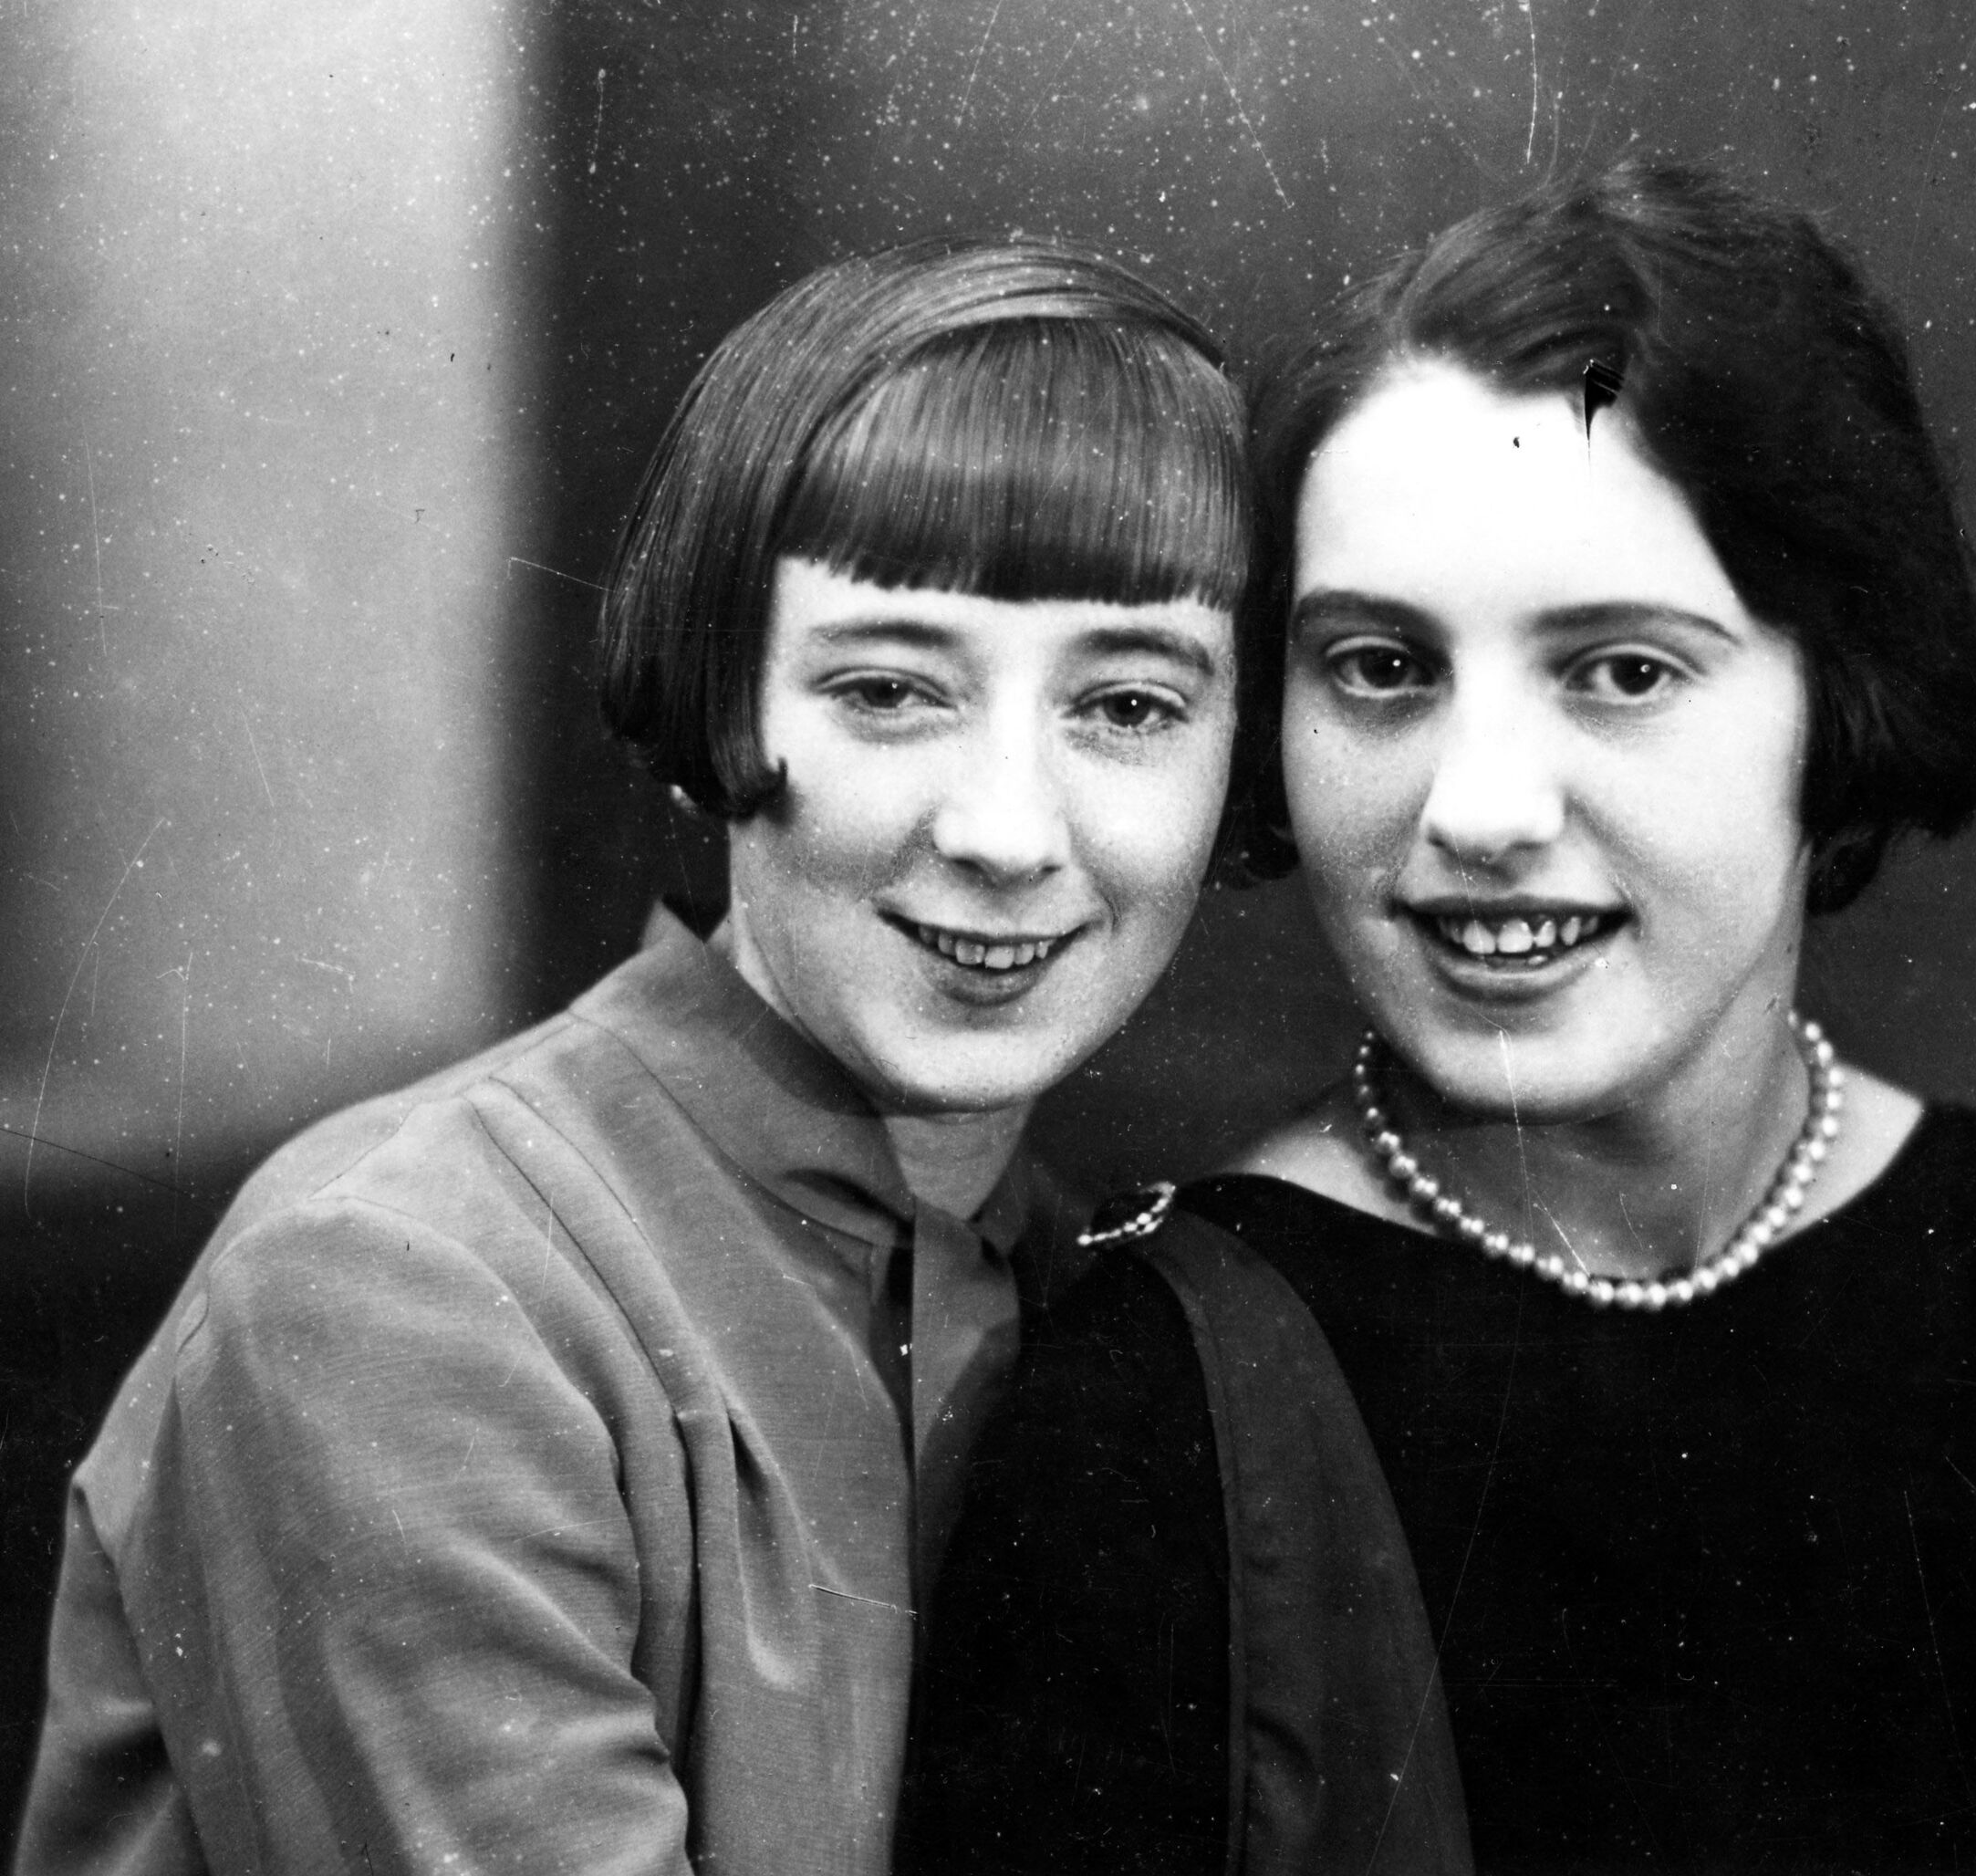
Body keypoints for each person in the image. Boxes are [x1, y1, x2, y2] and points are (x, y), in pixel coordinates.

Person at [904, 165, 1976, 1871]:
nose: (1480, 809)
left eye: (1622, 671)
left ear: (1838, 695)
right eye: (1381, 669)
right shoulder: (1142, 1413)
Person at [16, 240, 1249, 1874]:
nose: (1008, 831)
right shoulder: (404, 1290)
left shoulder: (1082, 1285)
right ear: (717, 696)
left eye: (1132, 708)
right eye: (889, 690)